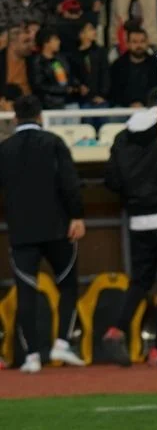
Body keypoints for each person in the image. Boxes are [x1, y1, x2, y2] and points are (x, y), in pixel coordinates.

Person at [0, 95, 87, 374]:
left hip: (21, 232)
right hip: (58, 228)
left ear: (15, 118)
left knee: (26, 292)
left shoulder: (4, 148)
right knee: (68, 286)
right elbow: (70, 182)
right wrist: (77, 215)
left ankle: (32, 356)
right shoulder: (54, 142)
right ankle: (62, 342)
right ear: (40, 116)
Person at [101, 86, 157, 367]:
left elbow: (111, 179)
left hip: (137, 220)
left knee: (140, 281)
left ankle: (117, 329)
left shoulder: (122, 136)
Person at [109, 24, 157, 107]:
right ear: (128, 43)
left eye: (142, 41)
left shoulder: (156, 64)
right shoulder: (118, 65)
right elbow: (114, 92)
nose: (139, 45)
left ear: (147, 43)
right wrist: (129, 104)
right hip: (123, 107)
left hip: (150, 106)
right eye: (134, 42)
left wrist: (144, 103)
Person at [29, 28, 72, 109]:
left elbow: (67, 76)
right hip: (48, 104)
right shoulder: (38, 62)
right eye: (55, 39)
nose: (59, 42)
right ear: (46, 43)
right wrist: (62, 90)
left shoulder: (61, 59)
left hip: (67, 101)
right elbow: (40, 85)